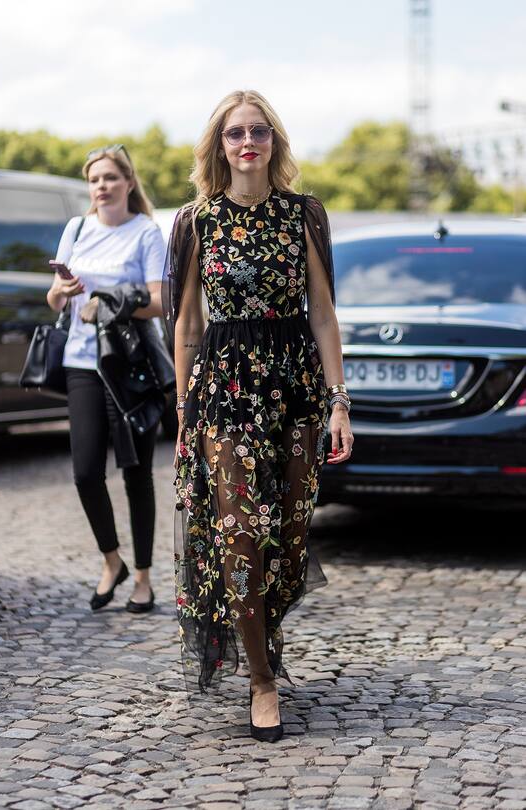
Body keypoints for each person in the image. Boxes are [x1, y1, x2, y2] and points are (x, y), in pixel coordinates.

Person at [164, 90, 353, 741]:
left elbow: (323, 313)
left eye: (259, 131)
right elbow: (188, 324)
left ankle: (263, 635)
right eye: (235, 132)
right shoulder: (197, 220)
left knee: (290, 539)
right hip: (224, 391)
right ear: (219, 145)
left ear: (275, 141)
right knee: (240, 533)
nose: (248, 142)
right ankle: (261, 680)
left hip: (294, 391)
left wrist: (338, 401)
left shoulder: (304, 214)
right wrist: (183, 411)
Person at [47, 144, 166, 613]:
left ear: (129, 182)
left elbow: (160, 301)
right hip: (81, 362)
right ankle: (111, 560)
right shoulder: (76, 229)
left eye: (111, 177)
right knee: (84, 473)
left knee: (136, 473)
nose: (102, 186)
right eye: (95, 179)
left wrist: (110, 301)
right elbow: (55, 300)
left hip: (130, 366)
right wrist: (61, 290)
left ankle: (144, 578)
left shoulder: (146, 232)